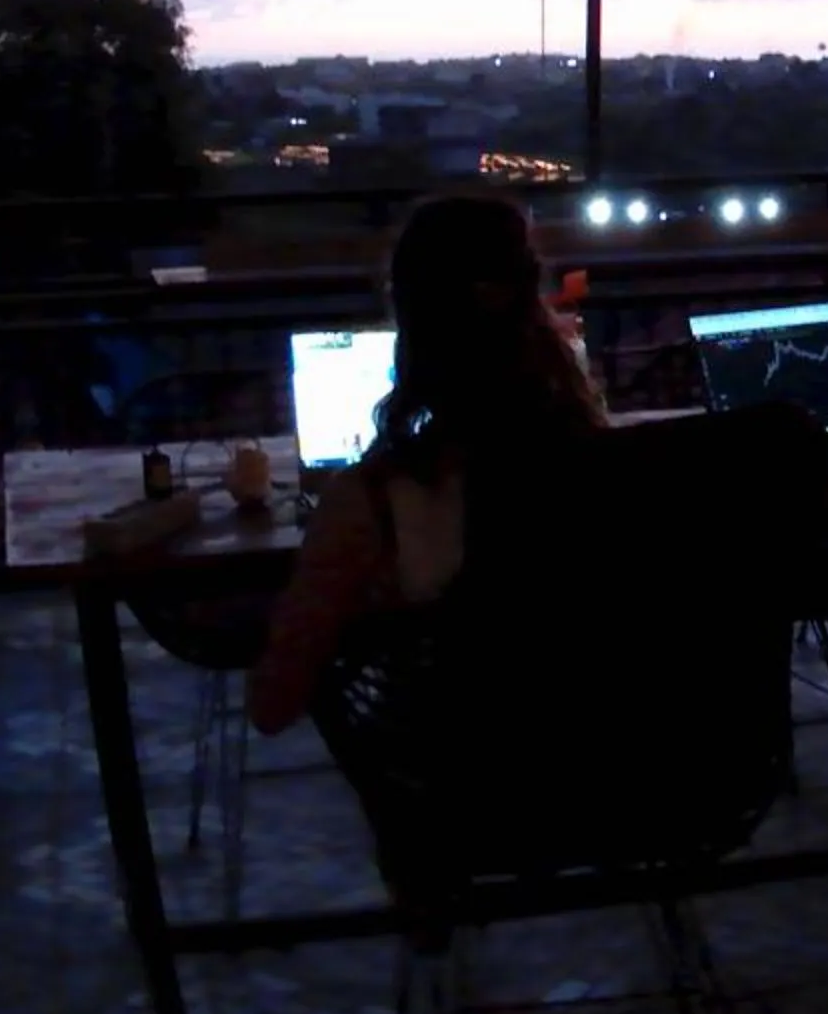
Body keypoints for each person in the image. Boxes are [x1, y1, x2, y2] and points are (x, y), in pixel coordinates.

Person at [248, 192, 607, 736]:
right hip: (633, 786)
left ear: (410, 323)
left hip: (454, 798)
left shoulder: (374, 502)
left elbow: (272, 705)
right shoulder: (616, 470)